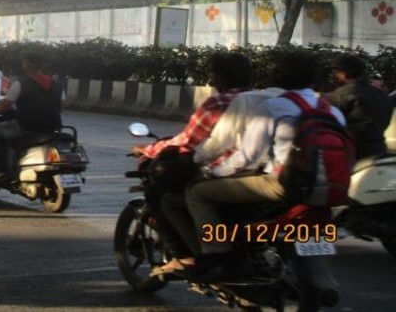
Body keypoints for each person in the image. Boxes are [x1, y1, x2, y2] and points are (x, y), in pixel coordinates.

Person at [179, 49, 345, 280]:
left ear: (276, 76)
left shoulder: (275, 107)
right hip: (330, 189)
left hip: (283, 185)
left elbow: (248, 156)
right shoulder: (333, 111)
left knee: (197, 193)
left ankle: (218, 255)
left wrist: (213, 172)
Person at [133, 51, 255, 277]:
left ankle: (187, 257)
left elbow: (190, 141)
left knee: (163, 197)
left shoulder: (217, 103)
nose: (210, 81)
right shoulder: (261, 100)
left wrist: (149, 150)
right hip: (259, 172)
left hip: (223, 169)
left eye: (214, 75)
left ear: (221, 78)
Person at [0, 51, 63, 182]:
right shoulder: (58, 86)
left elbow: (3, 108)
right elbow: (60, 107)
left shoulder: (20, 84)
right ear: (43, 66)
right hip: (53, 128)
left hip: (27, 127)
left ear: (26, 65)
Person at [326, 53, 391, 160]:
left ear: (344, 74)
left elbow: (332, 124)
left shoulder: (341, 94)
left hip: (352, 152)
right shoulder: (381, 94)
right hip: (379, 150)